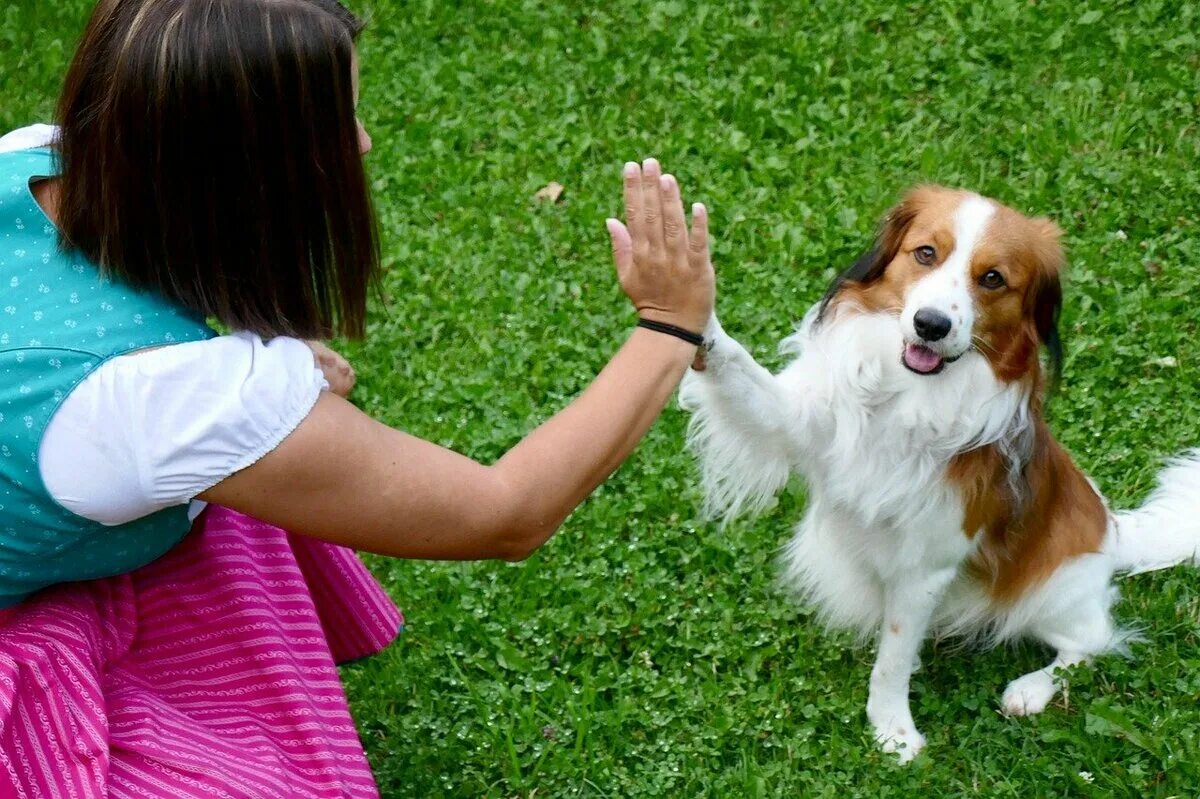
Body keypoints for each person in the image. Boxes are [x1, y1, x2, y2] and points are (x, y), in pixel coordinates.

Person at [0, 0, 715, 796]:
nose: (363, 142)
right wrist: (668, 324)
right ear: (243, 168)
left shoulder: (35, 157)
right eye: (337, 122)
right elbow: (507, 510)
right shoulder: (175, 397)